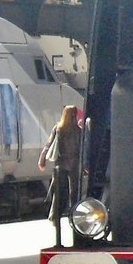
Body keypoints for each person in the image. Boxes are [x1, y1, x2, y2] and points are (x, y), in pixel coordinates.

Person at [39, 105, 81, 245]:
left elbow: (48, 144)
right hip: (73, 165)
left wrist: (42, 160)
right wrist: (85, 166)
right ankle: (74, 218)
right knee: (74, 194)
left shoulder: (59, 129)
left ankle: (55, 218)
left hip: (60, 165)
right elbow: (82, 148)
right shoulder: (78, 130)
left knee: (59, 193)